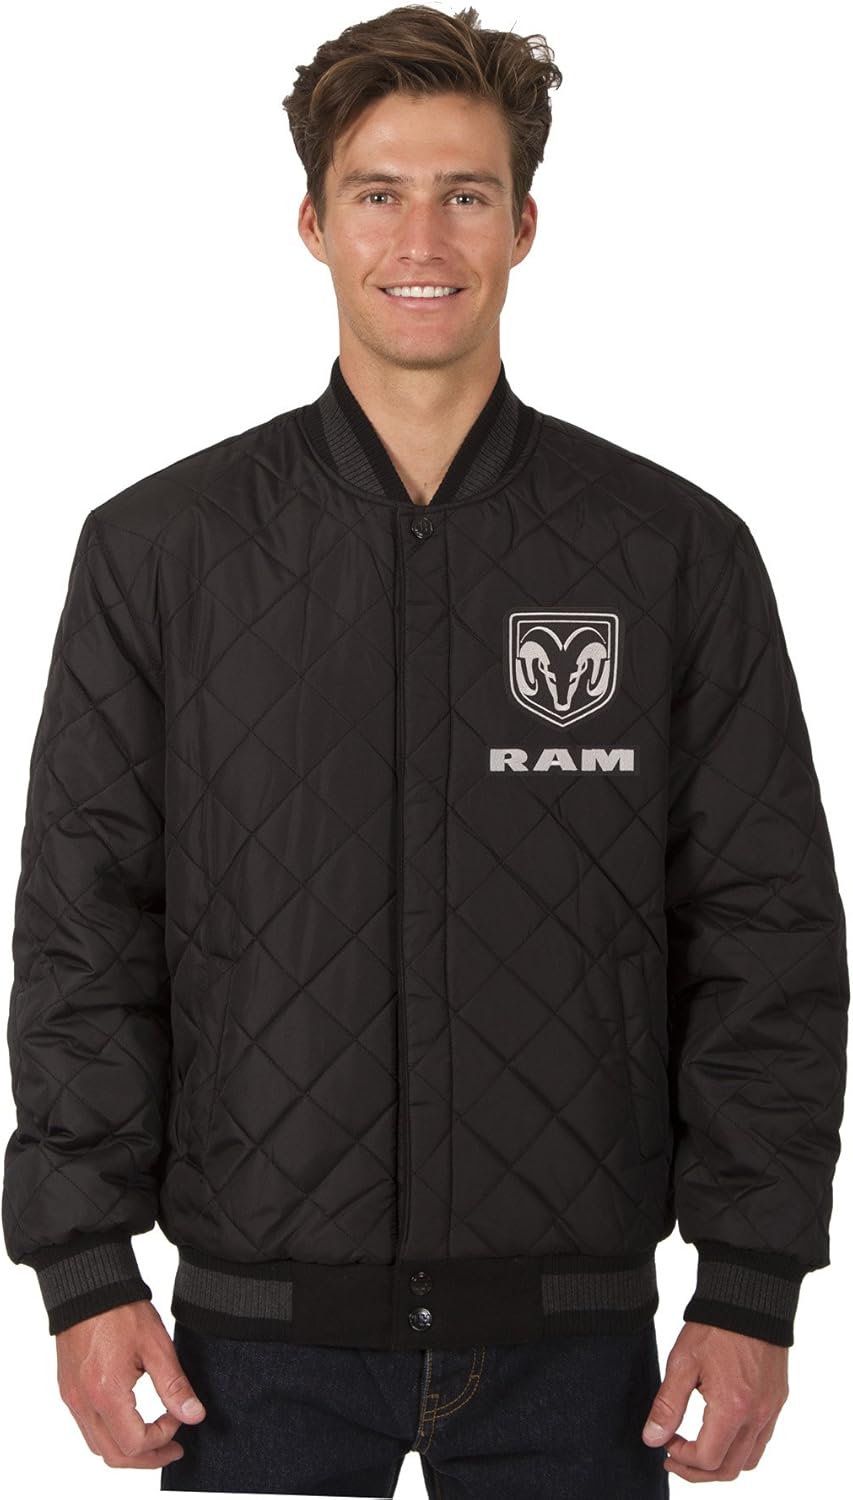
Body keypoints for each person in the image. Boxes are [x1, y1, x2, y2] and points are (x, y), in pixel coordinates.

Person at [2, 4, 849, 1496]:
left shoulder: (670, 552)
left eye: (464, 193)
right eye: (377, 193)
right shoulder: (160, 552)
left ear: (523, 226)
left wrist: (748, 1283)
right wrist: (82, 1269)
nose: (421, 238)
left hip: (577, 1355)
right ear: (313, 225)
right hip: (249, 1356)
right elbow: (85, 929)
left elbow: (763, 934)